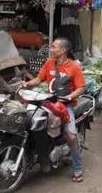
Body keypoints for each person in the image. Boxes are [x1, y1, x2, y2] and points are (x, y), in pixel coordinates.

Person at [21, 37, 86, 182]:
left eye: (54, 47)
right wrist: (25, 84)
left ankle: (77, 166)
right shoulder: (49, 63)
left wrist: (69, 96)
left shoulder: (74, 67)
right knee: (31, 121)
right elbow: (38, 80)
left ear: (63, 50)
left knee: (71, 136)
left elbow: (81, 87)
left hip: (65, 105)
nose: (51, 49)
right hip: (48, 102)